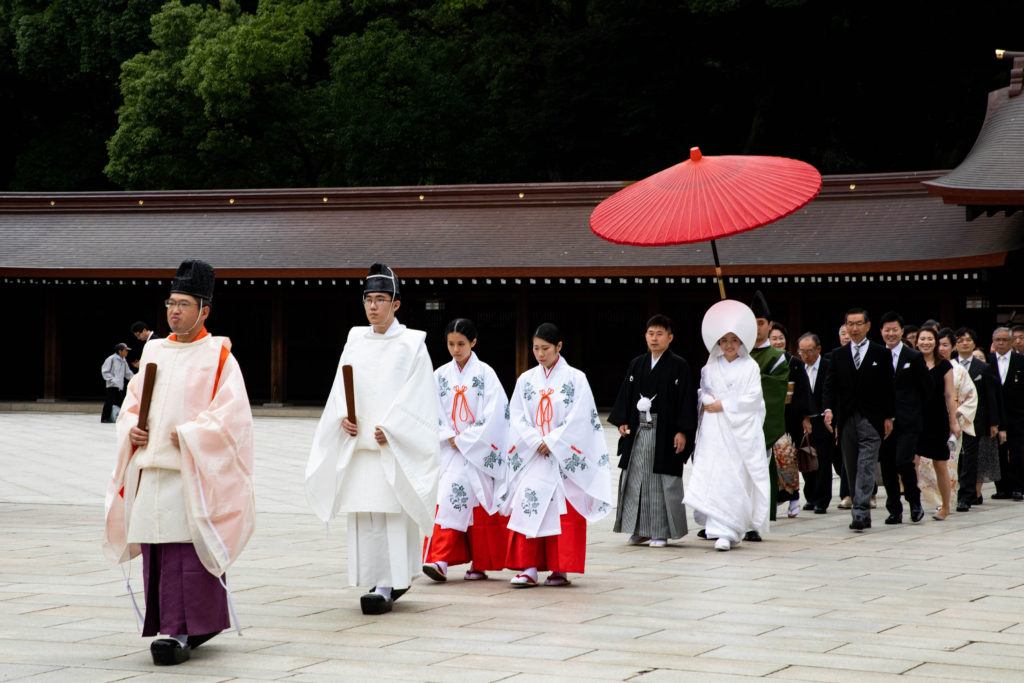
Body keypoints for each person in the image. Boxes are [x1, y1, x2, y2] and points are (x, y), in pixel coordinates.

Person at [103, 259, 255, 666]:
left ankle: (184, 628)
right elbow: (134, 403)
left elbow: (232, 417)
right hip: (152, 466)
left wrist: (191, 434)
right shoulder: (154, 350)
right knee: (156, 548)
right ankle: (171, 624)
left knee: (186, 552)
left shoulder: (219, 356)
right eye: (171, 303)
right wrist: (131, 427)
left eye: (184, 304)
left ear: (204, 310)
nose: (174, 311)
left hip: (190, 470)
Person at [306, 263, 440, 615]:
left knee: (390, 512)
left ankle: (391, 580)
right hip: (360, 445)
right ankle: (373, 576)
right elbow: (341, 387)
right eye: (368, 299)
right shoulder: (355, 340)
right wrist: (343, 418)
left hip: (389, 443)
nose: (373, 307)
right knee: (364, 512)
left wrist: (394, 428)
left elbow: (420, 395)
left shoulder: (412, 344)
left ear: (396, 304)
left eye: (381, 299)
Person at [502, 323, 612, 588]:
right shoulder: (526, 379)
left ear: (559, 347)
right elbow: (516, 415)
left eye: (546, 348)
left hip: (562, 457)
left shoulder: (576, 378)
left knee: (563, 511)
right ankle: (528, 567)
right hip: (534, 455)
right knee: (527, 504)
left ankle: (560, 568)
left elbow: (581, 419)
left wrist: (552, 441)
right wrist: (533, 440)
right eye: (536, 348)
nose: (540, 354)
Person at [422, 318, 510, 582]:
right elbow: (429, 409)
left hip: (476, 449)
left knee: (474, 503)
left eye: (461, 344)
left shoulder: (486, 374)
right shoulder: (439, 376)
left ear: (473, 342)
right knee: (452, 497)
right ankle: (443, 560)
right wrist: (449, 435)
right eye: (451, 344)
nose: (455, 350)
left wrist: (467, 438)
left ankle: (456, 561)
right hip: (450, 449)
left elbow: (496, 413)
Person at [684, 299, 769, 551]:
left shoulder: (750, 367)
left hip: (737, 431)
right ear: (718, 343)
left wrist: (724, 405)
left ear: (741, 342)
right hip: (714, 430)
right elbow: (703, 391)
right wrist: (709, 400)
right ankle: (716, 527)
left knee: (734, 475)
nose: (729, 345)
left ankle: (730, 529)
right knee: (715, 474)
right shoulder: (710, 367)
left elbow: (754, 398)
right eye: (724, 340)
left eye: (733, 340)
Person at [608, 314, 696, 548]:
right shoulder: (637, 363)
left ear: (670, 337)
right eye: (650, 333)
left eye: (659, 334)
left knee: (660, 481)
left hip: (665, 431)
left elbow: (686, 401)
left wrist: (682, 431)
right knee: (636, 479)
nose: (654, 338)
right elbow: (626, 394)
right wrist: (623, 421)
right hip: (638, 430)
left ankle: (660, 531)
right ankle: (638, 529)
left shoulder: (680, 366)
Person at [823, 308, 894, 531]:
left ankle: (860, 512)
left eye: (858, 324)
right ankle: (859, 504)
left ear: (867, 326)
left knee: (866, 464)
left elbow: (888, 387)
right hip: (846, 419)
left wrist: (889, 416)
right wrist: (828, 410)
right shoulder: (837, 355)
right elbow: (829, 387)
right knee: (851, 466)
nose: (854, 328)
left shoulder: (880, 353)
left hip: (871, 418)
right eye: (850, 324)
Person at [877, 312, 928, 525]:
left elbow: (927, 388)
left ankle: (914, 501)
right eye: (887, 330)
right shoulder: (876, 356)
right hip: (883, 421)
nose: (890, 333)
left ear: (901, 331)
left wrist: (915, 410)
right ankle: (894, 510)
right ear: (881, 332)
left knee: (903, 461)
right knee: (887, 465)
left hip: (908, 421)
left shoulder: (913, 357)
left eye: (894, 330)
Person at [748, 292, 790, 536]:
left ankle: (757, 523)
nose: (756, 329)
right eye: (751, 324)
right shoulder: (736, 353)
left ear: (770, 325)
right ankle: (731, 519)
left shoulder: (777, 357)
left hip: (758, 425)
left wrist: (744, 378)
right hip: (734, 425)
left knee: (759, 473)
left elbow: (772, 390)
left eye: (760, 323)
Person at [913, 327, 962, 520]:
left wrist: (953, 422)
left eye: (929, 339)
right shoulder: (912, 363)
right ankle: (915, 505)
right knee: (911, 463)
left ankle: (946, 507)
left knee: (940, 464)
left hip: (937, 419)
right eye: (922, 339)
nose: (926, 342)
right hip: (915, 418)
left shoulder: (944, 365)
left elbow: (950, 396)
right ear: (917, 342)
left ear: (935, 342)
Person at [952, 327, 999, 511]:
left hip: (974, 420)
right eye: (961, 340)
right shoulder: (949, 365)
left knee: (970, 458)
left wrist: (993, 422)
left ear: (974, 344)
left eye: (968, 340)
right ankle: (952, 493)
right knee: (954, 457)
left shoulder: (983, 368)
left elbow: (991, 397)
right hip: (953, 418)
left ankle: (967, 495)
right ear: (956, 344)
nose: (965, 343)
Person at [796, 333, 837, 513]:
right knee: (806, 458)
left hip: (823, 419)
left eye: (809, 351)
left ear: (818, 349)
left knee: (823, 460)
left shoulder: (829, 366)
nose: (806, 355)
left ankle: (822, 499)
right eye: (802, 351)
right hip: (803, 419)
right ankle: (810, 496)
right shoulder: (797, 367)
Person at [770, 322, 806, 517]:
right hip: (769, 417)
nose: (777, 341)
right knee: (770, 461)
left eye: (780, 338)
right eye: (773, 338)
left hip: (790, 417)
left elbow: (803, 392)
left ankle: (793, 497)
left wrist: (805, 417)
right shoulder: (764, 362)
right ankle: (775, 497)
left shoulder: (795, 362)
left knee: (787, 458)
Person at [991, 327, 1024, 501]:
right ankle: (1002, 487)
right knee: (999, 452)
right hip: (995, 415)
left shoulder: (1021, 361)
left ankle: (1018, 486)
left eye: (1005, 340)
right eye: (998, 340)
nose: (1001, 343)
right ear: (993, 342)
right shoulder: (987, 362)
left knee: (1017, 451)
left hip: (1017, 415)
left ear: (1011, 342)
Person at [100, 342, 134, 423]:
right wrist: (113, 379)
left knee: (121, 402)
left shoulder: (123, 360)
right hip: (112, 385)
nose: (127, 352)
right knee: (109, 402)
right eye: (125, 350)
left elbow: (127, 373)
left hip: (119, 385)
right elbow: (105, 371)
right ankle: (104, 418)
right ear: (120, 351)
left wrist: (134, 378)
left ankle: (119, 418)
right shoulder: (111, 359)